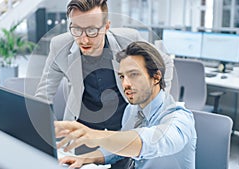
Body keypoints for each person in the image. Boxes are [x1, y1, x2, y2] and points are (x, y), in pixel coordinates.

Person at [35, 0, 173, 154]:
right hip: (84, 129)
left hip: (123, 127)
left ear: (107, 26)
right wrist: (44, 130)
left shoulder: (128, 40)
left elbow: (165, 61)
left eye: (92, 31)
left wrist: (158, 103)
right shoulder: (59, 45)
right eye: (76, 29)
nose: (84, 39)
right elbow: (43, 94)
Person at [55, 41, 197, 169]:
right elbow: (122, 146)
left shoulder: (179, 119)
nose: (125, 84)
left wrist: (94, 135)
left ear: (156, 77)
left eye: (134, 74)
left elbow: (148, 142)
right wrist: (83, 158)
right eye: (122, 76)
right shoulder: (132, 110)